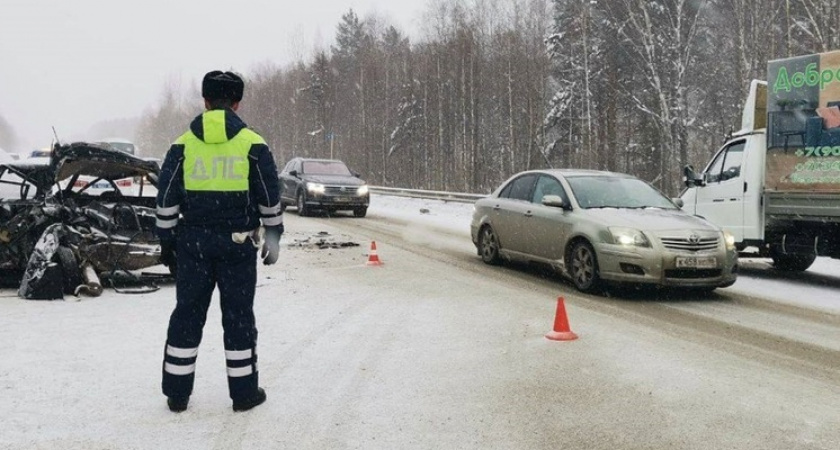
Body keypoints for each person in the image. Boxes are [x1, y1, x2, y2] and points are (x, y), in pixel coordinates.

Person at [155, 70, 283, 413]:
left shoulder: (182, 144)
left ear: (206, 101)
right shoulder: (252, 144)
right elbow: (269, 195)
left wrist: (167, 239)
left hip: (193, 244)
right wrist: (273, 235)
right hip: (238, 246)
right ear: (237, 103)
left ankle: (177, 394)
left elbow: (166, 197)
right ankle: (243, 394)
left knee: (187, 315)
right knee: (238, 318)